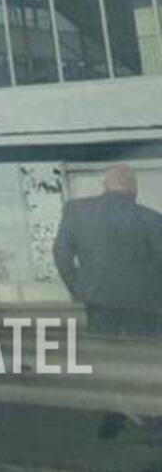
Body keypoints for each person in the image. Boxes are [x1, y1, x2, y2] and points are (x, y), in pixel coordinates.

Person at [53, 165, 162, 439]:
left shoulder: (76, 211)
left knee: (107, 359)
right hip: (145, 304)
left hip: (98, 300)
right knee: (145, 359)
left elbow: (61, 253)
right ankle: (153, 421)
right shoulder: (152, 219)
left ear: (105, 186)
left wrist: (78, 288)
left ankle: (113, 416)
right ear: (133, 189)